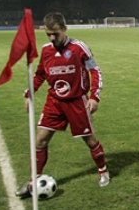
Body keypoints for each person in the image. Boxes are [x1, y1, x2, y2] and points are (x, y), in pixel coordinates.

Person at [16, 12, 109, 198]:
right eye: (48, 34)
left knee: (89, 140)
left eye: (56, 34)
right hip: (54, 102)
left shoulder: (79, 48)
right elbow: (40, 74)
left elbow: (95, 71)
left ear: (64, 29)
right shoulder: (46, 50)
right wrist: (29, 93)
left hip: (76, 102)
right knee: (40, 140)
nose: (52, 38)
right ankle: (33, 181)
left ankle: (103, 171)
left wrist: (94, 97)